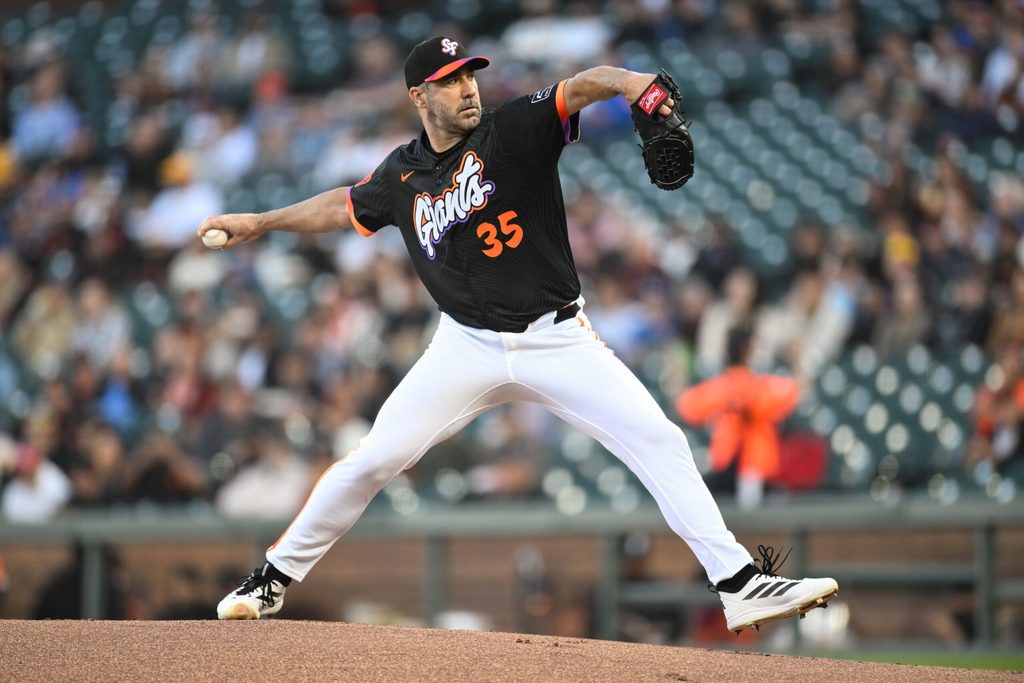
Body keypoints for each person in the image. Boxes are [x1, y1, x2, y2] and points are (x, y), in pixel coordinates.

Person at [204, 36, 837, 634]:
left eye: (469, 75)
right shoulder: (402, 174)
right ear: (418, 97)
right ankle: (272, 578)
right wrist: (261, 221)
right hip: (464, 345)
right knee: (373, 458)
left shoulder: (512, 129)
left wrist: (629, 81)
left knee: (659, 439)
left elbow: (580, 87)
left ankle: (738, 584)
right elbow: (345, 205)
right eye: (448, 81)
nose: (466, 88)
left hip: (557, 338)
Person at [677, 327, 801, 509]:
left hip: (732, 467)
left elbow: (685, 405)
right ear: (747, 350)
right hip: (752, 468)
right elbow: (793, 393)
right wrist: (797, 364)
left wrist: (678, 378)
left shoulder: (719, 387)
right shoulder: (761, 386)